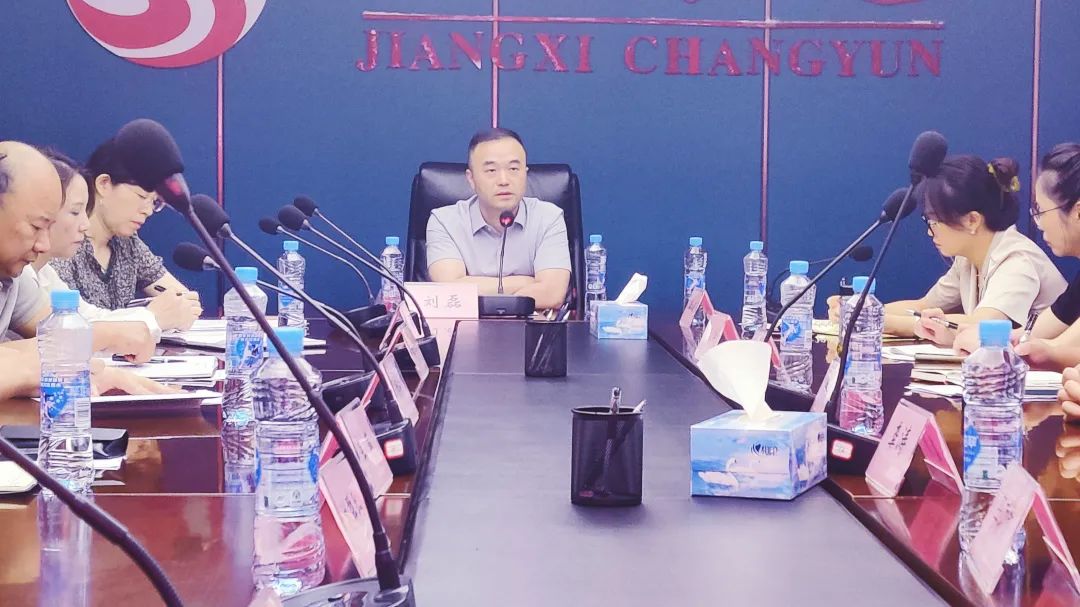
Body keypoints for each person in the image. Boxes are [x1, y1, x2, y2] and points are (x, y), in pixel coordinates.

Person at [829, 155, 1065, 346]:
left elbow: (980, 326)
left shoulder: (1016, 260)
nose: (929, 231)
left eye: (934, 221)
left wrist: (873, 319)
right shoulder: (968, 258)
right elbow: (923, 306)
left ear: (972, 220)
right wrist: (857, 309)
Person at [0, 141, 172, 400]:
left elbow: (57, 336)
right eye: (36, 227)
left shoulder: (14, 274)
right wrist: (38, 368)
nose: (43, 244)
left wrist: (98, 372)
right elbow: (43, 355)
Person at [33, 150, 200, 340]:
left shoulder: (127, 243)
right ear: (104, 184)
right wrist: (152, 317)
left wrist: (175, 309)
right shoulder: (60, 248)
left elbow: (91, 318)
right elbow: (64, 331)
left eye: (154, 202)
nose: (148, 210)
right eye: (141, 196)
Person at [426, 128, 571, 310]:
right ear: (471, 178)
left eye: (513, 169)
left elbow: (552, 294)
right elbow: (449, 291)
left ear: (525, 173)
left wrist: (474, 289)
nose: (504, 180)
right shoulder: (444, 221)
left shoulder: (549, 218)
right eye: (491, 170)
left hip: (530, 326)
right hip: (465, 326)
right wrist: (526, 283)